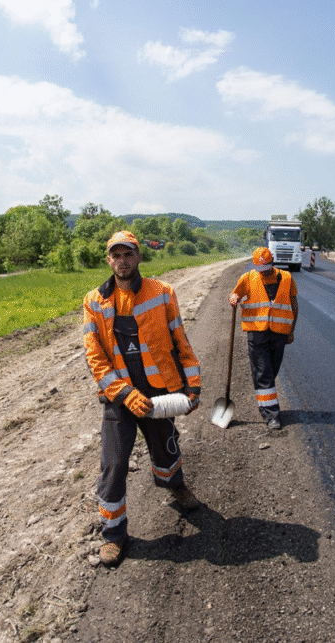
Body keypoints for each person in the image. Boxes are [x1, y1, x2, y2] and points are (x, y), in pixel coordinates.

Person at [82, 230, 202, 567]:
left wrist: (192, 384)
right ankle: (114, 535)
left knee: (166, 447)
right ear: (109, 260)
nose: (122, 261)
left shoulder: (163, 293)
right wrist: (123, 393)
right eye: (116, 255)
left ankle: (174, 485)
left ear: (139, 257)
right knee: (114, 464)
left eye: (128, 254)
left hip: (159, 391)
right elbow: (96, 359)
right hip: (118, 398)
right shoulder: (94, 301)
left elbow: (181, 339)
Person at [228, 247, 298, 430]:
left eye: (267, 266)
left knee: (271, 371)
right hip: (256, 333)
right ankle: (271, 415)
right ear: (255, 264)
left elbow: (294, 305)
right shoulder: (248, 278)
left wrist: (291, 331)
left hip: (279, 332)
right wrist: (234, 298)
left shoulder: (287, 278)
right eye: (261, 268)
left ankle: (265, 398)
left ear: (272, 261)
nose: (264, 270)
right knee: (264, 373)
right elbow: (236, 293)